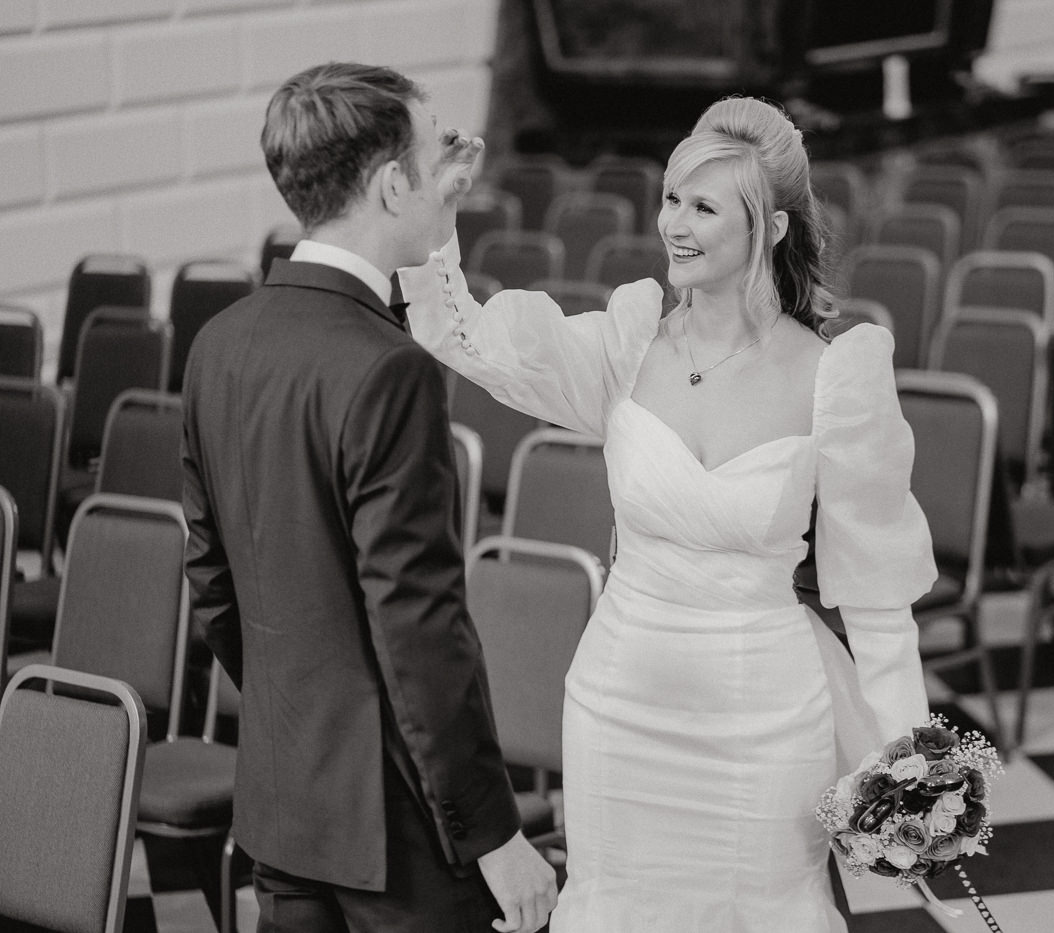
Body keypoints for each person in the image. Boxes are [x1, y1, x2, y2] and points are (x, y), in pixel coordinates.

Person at [401, 96, 935, 931]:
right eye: (671, 199)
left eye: (704, 206)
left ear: (773, 229)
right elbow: (467, 337)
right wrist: (435, 214)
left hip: (766, 717)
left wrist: (907, 768)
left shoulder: (839, 375)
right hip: (621, 704)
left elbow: (878, 600)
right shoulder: (630, 340)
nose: (674, 226)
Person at [181, 62, 557, 933]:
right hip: (400, 831)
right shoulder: (388, 369)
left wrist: (302, 717)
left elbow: (211, 579)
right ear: (392, 184)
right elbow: (418, 623)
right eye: (434, 153)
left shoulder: (220, 343)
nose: (448, 168)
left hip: (284, 801)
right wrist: (493, 832)